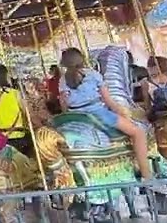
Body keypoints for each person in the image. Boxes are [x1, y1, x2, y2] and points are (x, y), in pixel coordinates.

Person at [58, 47, 156, 184]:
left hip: (74, 114)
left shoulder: (63, 80)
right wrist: (122, 111)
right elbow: (108, 101)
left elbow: (64, 105)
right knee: (138, 132)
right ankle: (147, 175)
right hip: (97, 113)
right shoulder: (93, 75)